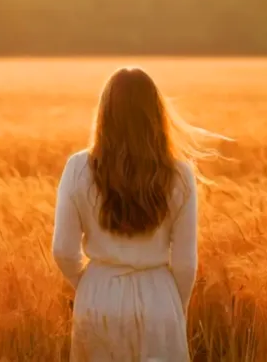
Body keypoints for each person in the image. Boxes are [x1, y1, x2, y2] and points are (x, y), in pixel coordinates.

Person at [52, 66, 226, 361]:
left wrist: (89, 285)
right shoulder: (180, 174)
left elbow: (63, 251)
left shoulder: (77, 167)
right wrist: (176, 306)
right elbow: (185, 263)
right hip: (159, 298)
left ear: (105, 113)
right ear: (155, 114)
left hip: (98, 294)